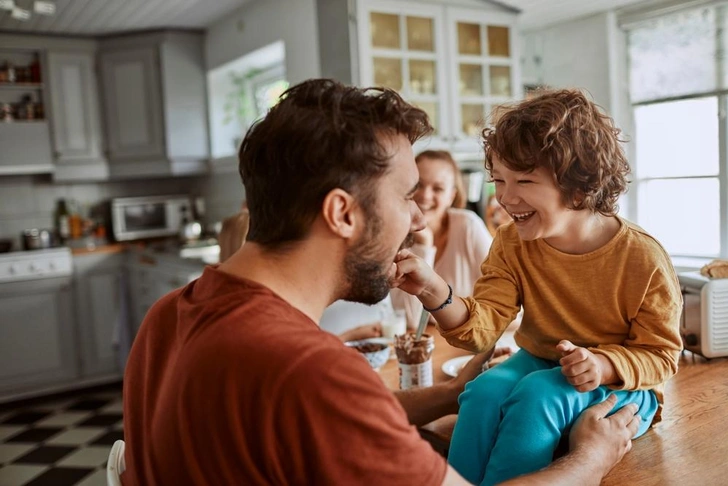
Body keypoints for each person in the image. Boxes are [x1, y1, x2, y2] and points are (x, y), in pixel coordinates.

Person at [122, 80, 642, 485]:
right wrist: (589, 461)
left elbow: (330, 421)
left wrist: (452, 394)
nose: (418, 219)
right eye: (405, 196)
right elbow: (324, 399)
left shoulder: (170, 314)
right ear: (342, 213)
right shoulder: (307, 372)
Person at [391, 88, 684, 485]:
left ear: (580, 185)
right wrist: (432, 290)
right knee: (481, 392)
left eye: (524, 181)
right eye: (498, 180)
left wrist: (602, 363)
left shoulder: (642, 258)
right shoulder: (513, 242)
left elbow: (662, 357)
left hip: (624, 384)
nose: (505, 198)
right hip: (541, 361)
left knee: (537, 397)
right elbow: (483, 328)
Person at [391, 150, 493, 330]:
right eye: (418, 185)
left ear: (451, 196)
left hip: (470, 343)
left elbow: (508, 307)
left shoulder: (468, 226)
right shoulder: (393, 235)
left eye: (437, 188)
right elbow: (408, 321)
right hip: (431, 346)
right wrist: (424, 245)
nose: (425, 196)